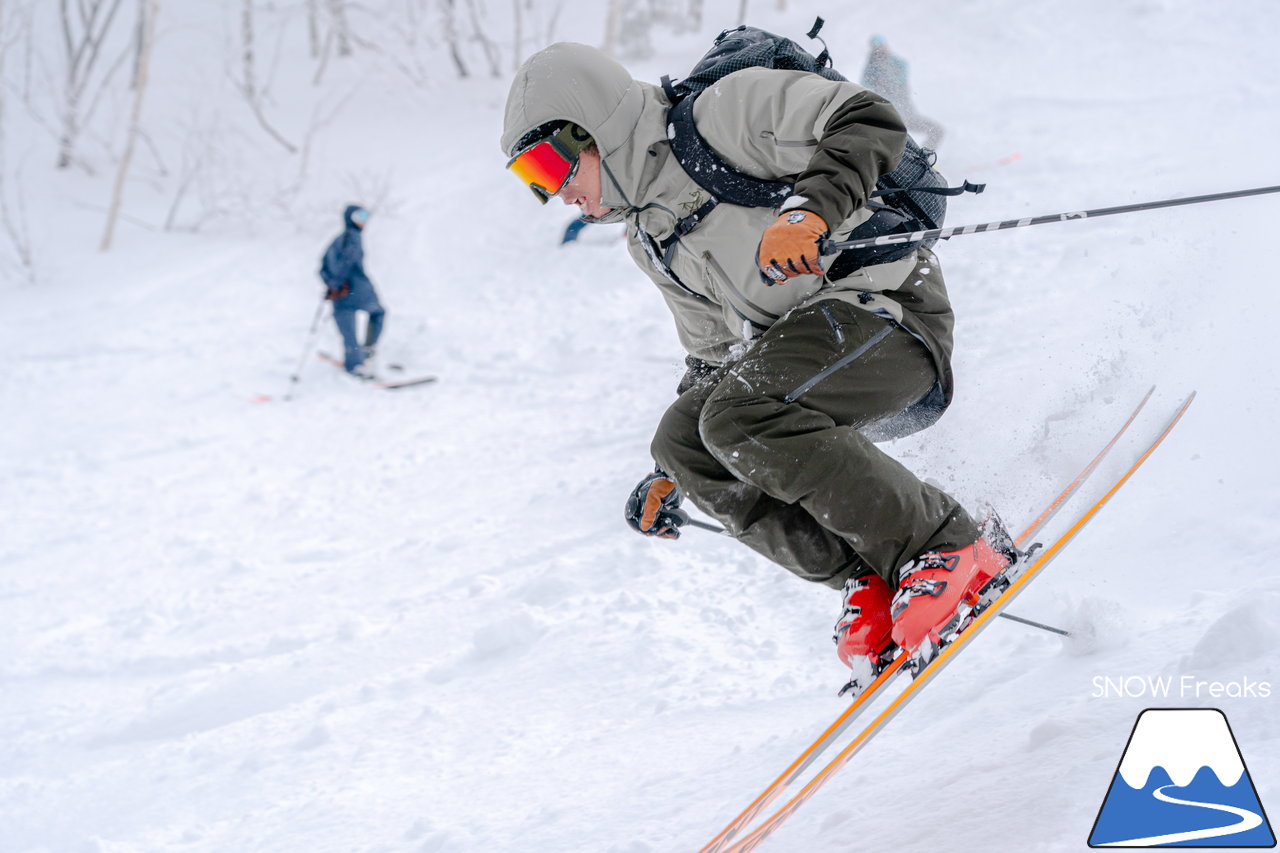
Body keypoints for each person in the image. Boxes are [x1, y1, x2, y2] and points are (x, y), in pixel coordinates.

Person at [500, 43, 1017, 693]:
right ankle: (874, 573)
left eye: (549, 165)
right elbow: (718, 356)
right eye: (532, 181)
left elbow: (868, 118)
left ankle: (948, 545)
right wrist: (674, 474)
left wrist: (811, 211)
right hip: (810, 357)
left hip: (892, 312)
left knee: (742, 415)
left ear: (591, 127)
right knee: (688, 436)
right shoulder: (651, 239)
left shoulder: (721, 117)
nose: (556, 192)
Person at [319, 204, 385, 378]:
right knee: (378, 313)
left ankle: (354, 362)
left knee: (348, 330)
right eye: (360, 217)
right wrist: (340, 282)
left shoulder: (337, 239)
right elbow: (348, 261)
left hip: (338, 294)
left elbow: (322, 266)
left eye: (366, 217)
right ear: (351, 218)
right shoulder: (353, 237)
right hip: (357, 289)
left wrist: (332, 285)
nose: (364, 222)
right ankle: (366, 353)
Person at [859, 35, 945, 150]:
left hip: (907, 115)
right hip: (891, 120)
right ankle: (914, 161)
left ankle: (925, 157)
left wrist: (891, 80)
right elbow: (865, 83)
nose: (880, 52)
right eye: (877, 50)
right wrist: (877, 82)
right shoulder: (872, 68)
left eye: (882, 48)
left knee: (936, 131)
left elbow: (903, 72)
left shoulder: (895, 63)